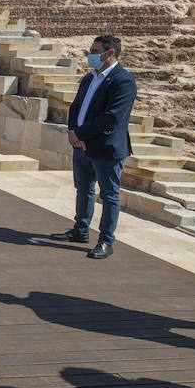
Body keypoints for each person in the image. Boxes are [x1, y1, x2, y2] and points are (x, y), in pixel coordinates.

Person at [49, 35, 137, 260]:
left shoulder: (123, 80)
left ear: (110, 53)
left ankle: (106, 241)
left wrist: (80, 133)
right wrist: (72, 131)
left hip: (105, 148)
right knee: (84, 189)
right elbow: (76, 107)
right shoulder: (89, 79)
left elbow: (111, 117)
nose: (90, 54)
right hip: (81, 145)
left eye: (95, 50)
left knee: (109, 195)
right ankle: (80, 230)